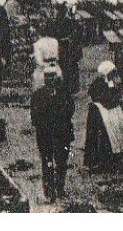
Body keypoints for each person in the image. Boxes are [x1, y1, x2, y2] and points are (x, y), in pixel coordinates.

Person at [30, 66, 75, 202]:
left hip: (62, 133)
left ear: (57, 77)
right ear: (44, 79)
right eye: (47, 76)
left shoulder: (65, 93)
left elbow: (70, 110)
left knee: (61, 161)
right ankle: (49, 190)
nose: (50, 79)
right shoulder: (37, 95)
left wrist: (59, 121)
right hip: (45, 134)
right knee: (47, 161)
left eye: (53, 76)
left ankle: (60, 188)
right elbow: (34, 117)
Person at [84, 61, 123, 171]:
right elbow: (100, 97)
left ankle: (120, 154)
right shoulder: (99, 83)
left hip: (113, 109)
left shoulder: (114, 82)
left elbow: (119, 93)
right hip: (103, 109)